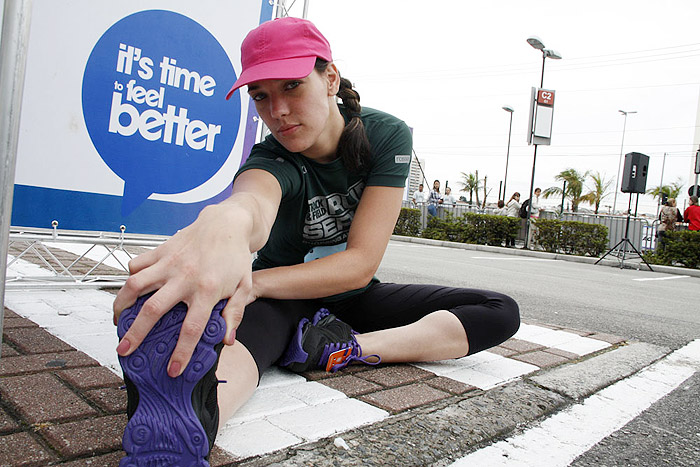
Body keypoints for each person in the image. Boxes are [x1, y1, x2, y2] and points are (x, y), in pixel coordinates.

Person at [112, 17, 520, 464]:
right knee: (236, 347)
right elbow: (253, 203)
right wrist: (224, 222)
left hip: (349, 295)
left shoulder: (386, 135)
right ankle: (189, 421)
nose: (278, 111)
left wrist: (255, 282)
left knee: (499, 311)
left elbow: (360, 262)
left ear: (330, 79)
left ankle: (339, 348)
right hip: (284, 301)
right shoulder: (272, 155)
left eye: (291, 86)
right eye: (261, 96)